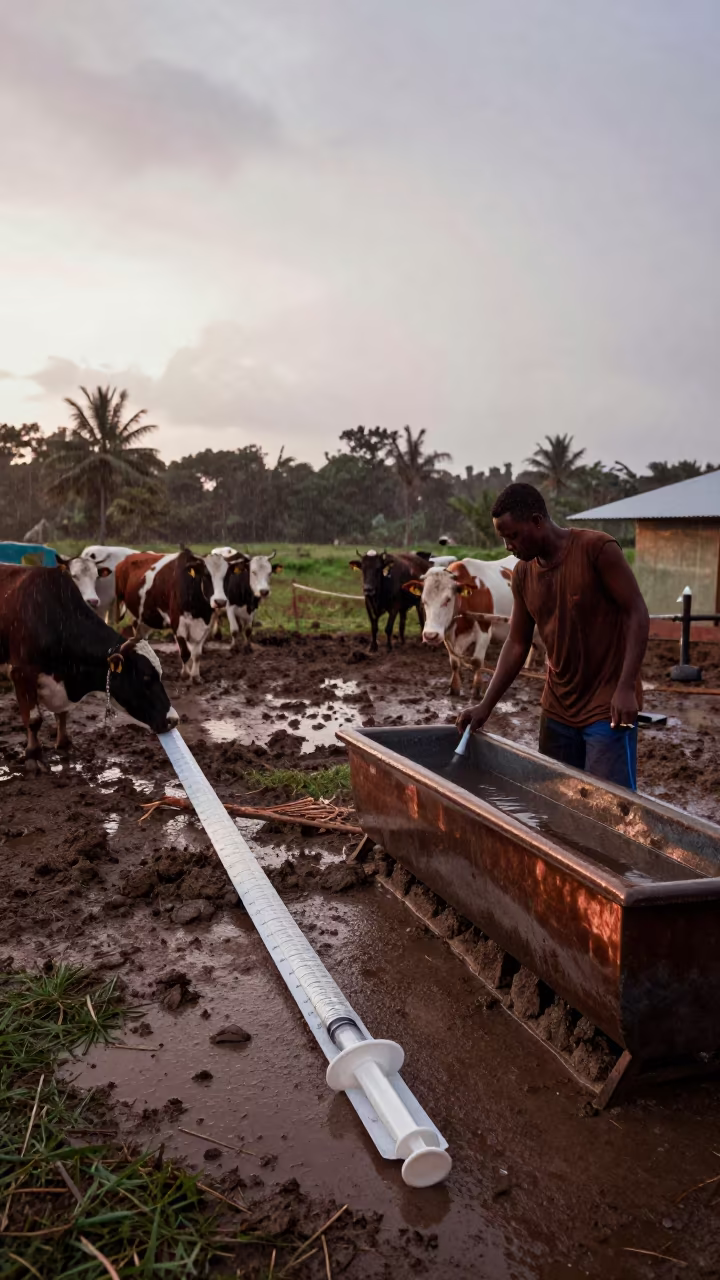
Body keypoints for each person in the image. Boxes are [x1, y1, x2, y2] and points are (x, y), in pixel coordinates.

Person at [457, 483, 650, 790]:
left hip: (607, 705)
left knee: (609, 809)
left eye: (513, 535)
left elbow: (637, 613)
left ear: (537, 520)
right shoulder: (523, 574)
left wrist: (626, 687)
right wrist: (485, 705)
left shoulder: (597, 550)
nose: (508, 546)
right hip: (558, 708)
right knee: (555, 801)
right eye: (503, 538)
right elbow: (517, 642)